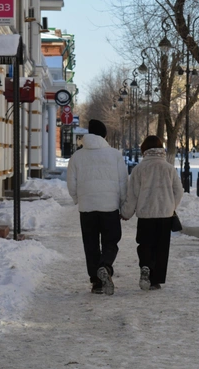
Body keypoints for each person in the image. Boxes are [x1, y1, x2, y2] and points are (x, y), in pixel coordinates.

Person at [66, 119, 128, 295]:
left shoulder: (77, 156)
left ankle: (96, 283)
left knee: (91, 244)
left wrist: (78, 198)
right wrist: (123, 203)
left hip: (87, 208)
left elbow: (71, 182)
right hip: (109, 207)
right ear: (104, 135)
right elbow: (123, 182)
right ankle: (105, 266)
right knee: (111, 240)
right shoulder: (115, 154)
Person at [121, 136, 184, 291]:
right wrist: (170, 206)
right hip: (165, 216)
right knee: (161, 248)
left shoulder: (139, 169)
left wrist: (126, 213)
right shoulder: (169, 168)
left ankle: (145, 267)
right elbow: (179, 191)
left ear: (144, 150)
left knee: (145, 244)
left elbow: (133, 195)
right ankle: (155, 280)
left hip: (145, 215)